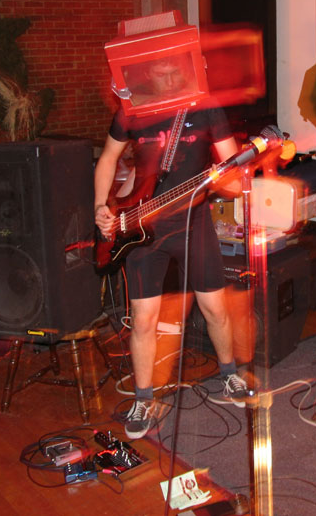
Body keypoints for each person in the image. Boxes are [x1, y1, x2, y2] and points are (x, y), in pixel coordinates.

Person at [95, 57, 249, 440]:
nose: (166, 76)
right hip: (140, 225)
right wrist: (102, 207)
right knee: (143, 319)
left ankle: (229, 375)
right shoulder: (132, 111)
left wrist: (230, 178)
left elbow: (232, 181)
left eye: (173, 69)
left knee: (215, 308)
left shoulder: (205, 107)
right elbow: (108, 158)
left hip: (192, 223)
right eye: (159, 70)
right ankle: (143, 398)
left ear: (186, 67)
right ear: (147, 71)